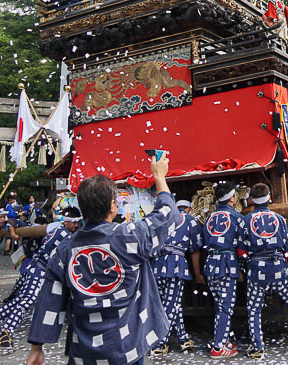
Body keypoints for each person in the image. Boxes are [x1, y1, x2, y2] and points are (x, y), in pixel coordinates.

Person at [25, 155, 180, 365]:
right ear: (113, 207)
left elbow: (50, 299)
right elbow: (168, 215)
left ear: (82, 209)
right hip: (126, 345)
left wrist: (37, 347)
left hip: (84, 350)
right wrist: (159, 176)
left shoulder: (65, 250)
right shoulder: (130, 237)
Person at [0, 207, 81, 348]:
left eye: (77, 222)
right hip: (40, 270)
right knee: (27, 301)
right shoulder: (65, 235)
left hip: (34, 268)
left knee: (20, 300)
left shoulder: (56, 230)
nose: (76, 225)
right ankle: (6, 332)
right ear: (67, 221)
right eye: (74, 222)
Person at [238, 183, 288, 359]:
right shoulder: (279, 219)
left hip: (256, 270)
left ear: (252, 200)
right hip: (279, 267)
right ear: (269, 198)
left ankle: (257, 347)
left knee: (254, 309)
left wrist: (249, 261)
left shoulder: (245, 221)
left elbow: (241, 251)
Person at [149, 198, 204, 356]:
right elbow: (195, 250)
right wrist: (197, 273)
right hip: (175, 265)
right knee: (171, 305)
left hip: (157, 265)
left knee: (171, 304)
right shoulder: (190, 220)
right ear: (188, 209)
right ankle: (160, 343)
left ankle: (183, 338)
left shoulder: (161, 218)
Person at [202, 181, 246, 359]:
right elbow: (242, 246)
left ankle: (222, 339)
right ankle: (218, 347)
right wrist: (241, 268)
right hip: (227, 265)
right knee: (225, 307)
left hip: (210, 264)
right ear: (232, 198)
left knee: (219, 305)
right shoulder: (237, 217)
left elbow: (205, 241)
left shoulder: (209, 218)